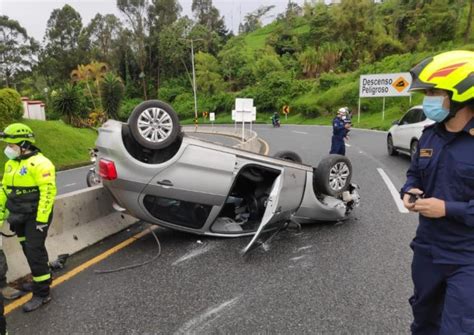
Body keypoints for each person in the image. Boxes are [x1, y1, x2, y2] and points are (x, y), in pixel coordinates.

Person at [400, 50, 474, 334]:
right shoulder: (430, 134)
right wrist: (409, 189)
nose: (427, 99)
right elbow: (415, 171)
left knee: (458, 328)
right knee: (424, 320)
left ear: (460, 93)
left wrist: (447, 209)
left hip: (467, 257)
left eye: (433, 91)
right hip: (428, 251)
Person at [0, 123, 57, 312]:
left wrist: (41, 220)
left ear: (24, 144)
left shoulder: (41, 164)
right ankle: (42, 278)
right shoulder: (11, 165)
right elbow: (4, 191)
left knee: (34, 250)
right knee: (27, 248)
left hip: (36, 216)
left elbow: (48, 193)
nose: (8, 149)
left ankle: (42, 292)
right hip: (19, 216)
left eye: (11, 145)